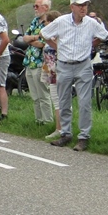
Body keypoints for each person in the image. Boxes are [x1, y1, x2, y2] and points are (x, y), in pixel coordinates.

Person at [41, 0, 108, 151]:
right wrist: (57, 46)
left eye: (85, 5)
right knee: (64, 100)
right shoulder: (61, 21)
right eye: (80, 5)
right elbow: (44, 33)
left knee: (84, 102)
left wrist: (91, 45)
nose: (83, 8)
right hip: (64, 64)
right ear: (72, 7)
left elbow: (104, 35)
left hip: (83, 65)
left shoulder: (91, 23)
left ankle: (84, 136)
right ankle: (66, 133)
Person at [21, 0, 54, 126]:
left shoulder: (49, 23)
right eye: (34, 6)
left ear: (45, 7)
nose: (35, 8)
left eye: (37, 6)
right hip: (30, 61)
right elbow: (25, 38)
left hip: (41, 62)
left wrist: (31, 40)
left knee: (43, 93)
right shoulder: (35, 21)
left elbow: (42, 44)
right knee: (34, 95)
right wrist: (35, 37)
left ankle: (47, 120)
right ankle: (38, 120)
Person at [39, 11, 62, 140]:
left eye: (46, 21)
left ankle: (60, 128)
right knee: (56, 99)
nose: (44, 24)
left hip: (57, 71)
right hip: (50, 71)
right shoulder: (52, 36)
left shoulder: (57, 36)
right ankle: (59, 127)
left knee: (59, 100)